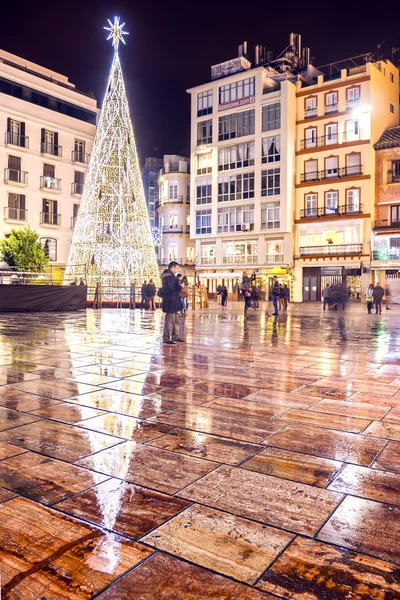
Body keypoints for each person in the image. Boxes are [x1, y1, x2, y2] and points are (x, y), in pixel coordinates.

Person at [161, 261, 185, 344]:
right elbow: (170, 288)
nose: (177, 270)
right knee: (170, 321)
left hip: (174, 301)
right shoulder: (168, 276)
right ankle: (166, 338)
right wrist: (180, 286)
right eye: (177, 268)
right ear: (172, 267)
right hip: (170, 301)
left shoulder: (171, 276)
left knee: (176, 320)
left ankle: (175, 336)